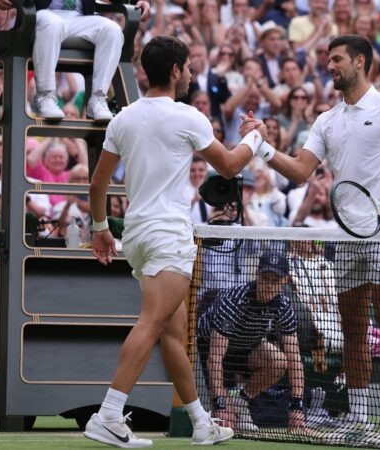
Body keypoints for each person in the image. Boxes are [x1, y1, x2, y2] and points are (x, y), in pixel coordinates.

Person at [243, 34, 380, 449]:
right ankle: (360, 419)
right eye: (328, 59)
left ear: (360, 62)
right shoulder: (326, 120)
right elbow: (298, 171)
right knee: (353, 328)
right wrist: (262, 146)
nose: (330, 66)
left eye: (337, 59)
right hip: (347, 235)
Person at [85, 35, 269, 448]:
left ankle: (201, 422)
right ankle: (109, 414)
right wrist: (256, 137)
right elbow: (229, 164)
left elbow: (98, 183)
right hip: (168, 235)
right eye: (187, 68)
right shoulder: (189, 116)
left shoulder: (123, 118)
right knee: (152, 322)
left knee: (172, 332)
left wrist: (100, 228)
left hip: (137, 236)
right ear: (174, 70)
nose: (190, 74)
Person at [196, 250, 307, 432]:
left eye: (275, 280)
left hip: (247, 346)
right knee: (226, 425)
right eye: (265, 278)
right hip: (211, 347)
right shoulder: (233, 301)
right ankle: (225, 405)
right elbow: (215, 358)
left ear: (285, 280)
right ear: (257, 275)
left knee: (280, 361)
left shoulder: (284, 306)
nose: (269, 285)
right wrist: (221, 405)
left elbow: (295, 358)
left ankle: (241, 401)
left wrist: (297, 407)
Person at [0, 0, 150, 121]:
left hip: (80, 17)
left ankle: (98, 99)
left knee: (113, 30)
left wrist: (138, 1)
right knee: (53, 24)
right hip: (42, 13)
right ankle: (45, 96)